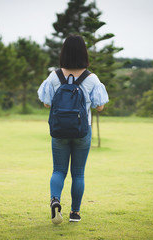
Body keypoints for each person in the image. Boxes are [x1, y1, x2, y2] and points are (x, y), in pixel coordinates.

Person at [37, 35, 109, 224]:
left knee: (58, 170)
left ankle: (55, 200)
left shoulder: (54, 76)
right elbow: (99, 106)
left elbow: (46, 104)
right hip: (82, 132)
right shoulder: (91, 78)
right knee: (78, 173)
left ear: (64, 52)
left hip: (59, 131)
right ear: (84, 53)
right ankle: (75, 213)